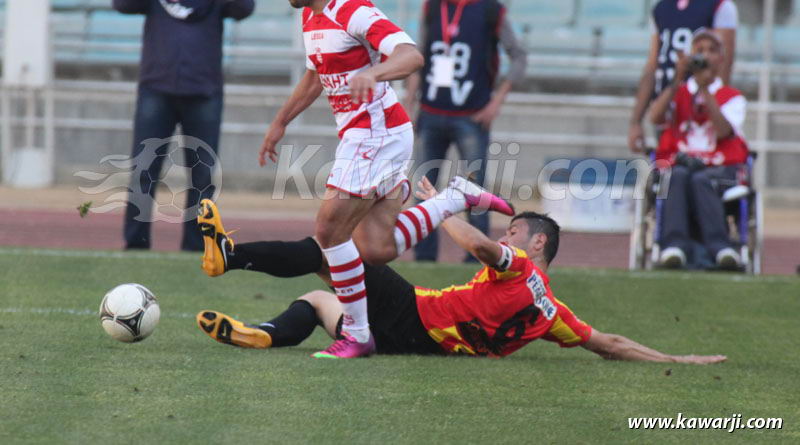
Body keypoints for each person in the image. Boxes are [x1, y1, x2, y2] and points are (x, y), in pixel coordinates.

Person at [236, 0, 512, 359]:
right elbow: (315, 76)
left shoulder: (353, 9)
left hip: (376, 134)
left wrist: (375, 73)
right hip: (370, 134)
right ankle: (451, 199)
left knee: (329, 230)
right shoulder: (310, 16)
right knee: (377, 249)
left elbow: (411, 55)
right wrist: (280, 122)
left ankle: (359, 334)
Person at [195, 179, 725, 365]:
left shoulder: (520, 268)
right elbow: (608, 343)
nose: (507, 235)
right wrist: (678, 357)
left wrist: (447, 206)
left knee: (329, 248)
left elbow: (477, 245)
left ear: (537, 243)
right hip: (410, 343)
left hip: (414, 316)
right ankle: (263, 335)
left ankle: (230, 254)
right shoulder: (552, 312)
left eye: (515, 230)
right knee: (315, 301)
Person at [112, 0, 255, 251]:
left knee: (202, 176)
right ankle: (136, 243)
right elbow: (122, 1)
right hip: (156, 91)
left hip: (203, 94)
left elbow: (244, 7)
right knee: (144, 171)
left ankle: (195, 245)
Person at [404, 0, 527, 262]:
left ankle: (479, 256)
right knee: (425, 188)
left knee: (475, 192)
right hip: (431, 112)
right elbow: (419, 55)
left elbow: (518, 55)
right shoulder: (432, 6)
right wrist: (409, 99)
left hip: (472, 115)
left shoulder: (489, 8)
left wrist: (496, 101)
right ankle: (425, 258)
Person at [629, 0, 738, 155]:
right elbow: (653, 65)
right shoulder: (662, 7)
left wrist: (716, 108)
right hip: (666, 105)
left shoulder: (718, 2)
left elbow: (723, 64)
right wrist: (635, 120)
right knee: (666, 179)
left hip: (698, 111)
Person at [650, 29, 749, 270]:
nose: (705, 56)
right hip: (681, 164)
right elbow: (655, 117)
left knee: (701, 180)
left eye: (711, 50)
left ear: (721, 59)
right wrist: (677, 79)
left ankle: (720, 247)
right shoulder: (679, 93)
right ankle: (673, 246)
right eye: (699, 50)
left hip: (719, 167)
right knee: (679, 176)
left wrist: (705, 90)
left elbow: (724, 131)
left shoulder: (731, 96)